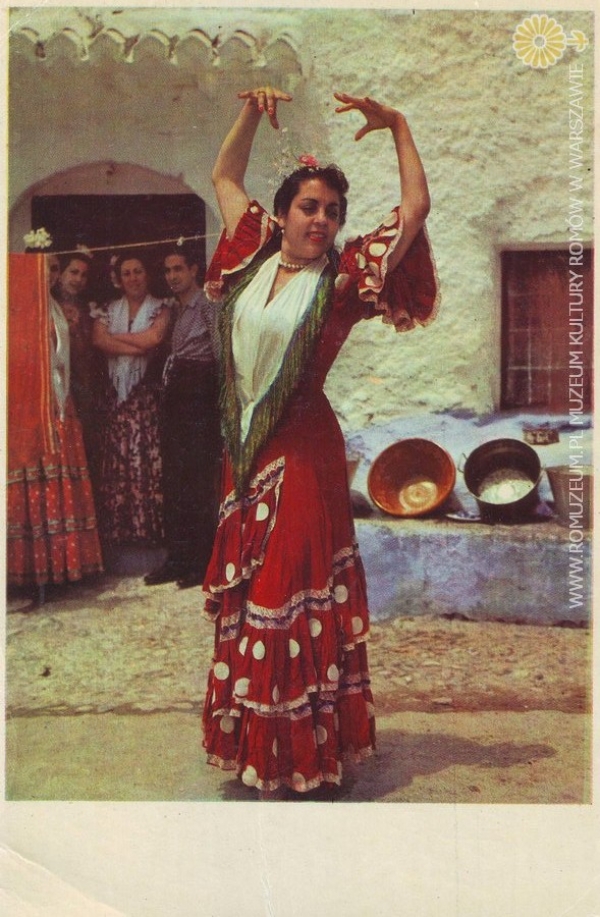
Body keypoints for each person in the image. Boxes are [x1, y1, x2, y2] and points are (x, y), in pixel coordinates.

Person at [200, 86, 439, 799]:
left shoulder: (341, 279)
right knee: (253, 595)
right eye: (310, 207)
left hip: (305, 456)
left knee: (286, 591)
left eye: (332, 212)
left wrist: (398, 124)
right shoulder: (249, 257)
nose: (323, 220)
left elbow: (414, 212)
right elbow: (223, 176)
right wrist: (248, 109)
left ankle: (300, 757)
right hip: (248, 454)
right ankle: (257, 749)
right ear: (282, 213)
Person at [7, 252, 104, 601]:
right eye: (42, 267)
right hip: (30, 406)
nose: (48, 274)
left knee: (61, 483)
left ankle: (63, 567)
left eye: (53, 268)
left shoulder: (55, 309)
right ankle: (34, 572)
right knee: (35, 484)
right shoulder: (15, 306)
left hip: (60, 403)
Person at [144, 245, 222, 590]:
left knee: (197, 482)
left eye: (178, 269)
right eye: (168, 271)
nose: (172, 276)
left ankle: (201, 562)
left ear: (194, 270)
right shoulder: (175, 310)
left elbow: (221, 353)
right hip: (176, 393)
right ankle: (177, 558)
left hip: (200, 394)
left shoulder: (207, 305)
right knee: (174, 480)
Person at [92, 251, 171, 546]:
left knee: (144, 459)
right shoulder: (108, 309)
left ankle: (146, 532)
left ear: (146, 275)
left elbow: (154, 339)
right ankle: (121, 533)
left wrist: (117, 340)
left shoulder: (160, 308)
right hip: (118, 400)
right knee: (119, 461)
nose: (133, 278)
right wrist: (137, 343)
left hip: (144, 398)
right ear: (119, 280)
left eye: (138, 271)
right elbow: (98, 340)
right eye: (127, 273)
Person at [51, 252, 105, 500]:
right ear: (60, 273)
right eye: (74, 272)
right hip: (59, 390)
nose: (78, 279)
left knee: (87, 452)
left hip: (86, 389)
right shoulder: (48, 306)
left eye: (84, 275)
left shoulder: (88, 308)